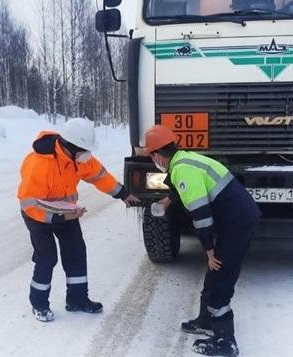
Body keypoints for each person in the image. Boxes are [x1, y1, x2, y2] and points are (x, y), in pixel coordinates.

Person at [144, 125, 261, 357]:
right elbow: (184, 187)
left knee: (221, 276)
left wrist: (209, 250)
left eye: (151, 156)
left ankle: (225, 341)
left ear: (156, 154)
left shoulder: (181, 169)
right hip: (240, 216)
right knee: (215, 273)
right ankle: (206, 322)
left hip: (237, 222)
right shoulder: (185, 159)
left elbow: (202, 216)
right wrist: (167, 201)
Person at [17, 118, 139, 322]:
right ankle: (39, 304)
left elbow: (100, 176)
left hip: (66, 213)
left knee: (76, 251)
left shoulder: (78, 158)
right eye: (85, 150)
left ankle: (77, 300)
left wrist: (123, 194)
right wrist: (59, 215)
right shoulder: (39, 163)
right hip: (38, 216)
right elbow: (29, 203)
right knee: (47, 257)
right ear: (70, 147)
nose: (88, 155)